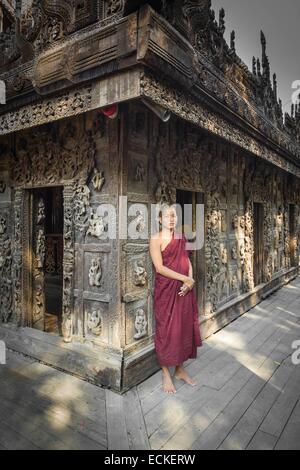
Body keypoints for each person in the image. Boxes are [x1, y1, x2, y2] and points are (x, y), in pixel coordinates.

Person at [150, 204, 202, 394]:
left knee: (182, 328)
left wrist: (190, 280)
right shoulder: (155, 239)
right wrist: (184, 279)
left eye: (174, 216)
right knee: (166, 329)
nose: (171, 219)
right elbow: (160, 267)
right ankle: (166, 372)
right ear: (160, 218)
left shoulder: (180, 237)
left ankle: (180, 370)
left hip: (183, 289)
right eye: (168, 216)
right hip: (167, 290)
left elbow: (187, 260)